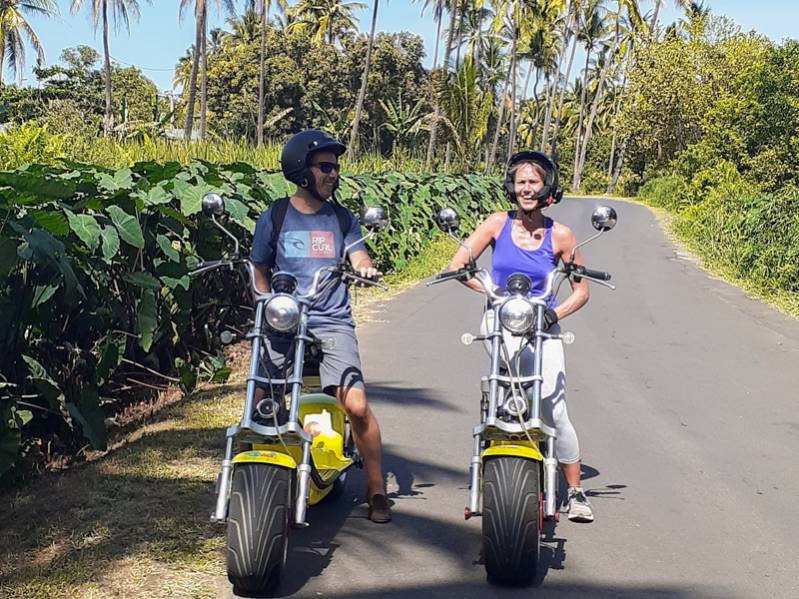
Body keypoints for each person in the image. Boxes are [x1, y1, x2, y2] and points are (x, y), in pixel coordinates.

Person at [249, 129, 391, 524]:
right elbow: (258, 268)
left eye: (335, 167)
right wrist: (265, 305)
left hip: (331, 320)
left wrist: (364, 269)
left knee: (357, 405)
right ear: (302, 170)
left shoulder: (341, 218)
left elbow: (358, 255)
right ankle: (258, 478)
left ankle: (377, 489)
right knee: (260, 397)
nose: (334, 174)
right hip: (283, 322)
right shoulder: (275, 215)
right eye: (326, 167)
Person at [445, 150, 594, 522]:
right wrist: (490, 293)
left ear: (547, 187)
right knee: (502, 397)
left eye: (534, 182)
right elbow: (458, 265)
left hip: (543, 328)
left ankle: (574, 490)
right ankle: (491, 477)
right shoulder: (496, 224)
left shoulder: (561, 235)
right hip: (501, 324)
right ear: (512, 187)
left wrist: (551, 312)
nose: (526, 188)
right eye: (521, 182)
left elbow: (581, 291)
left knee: (552, 408)